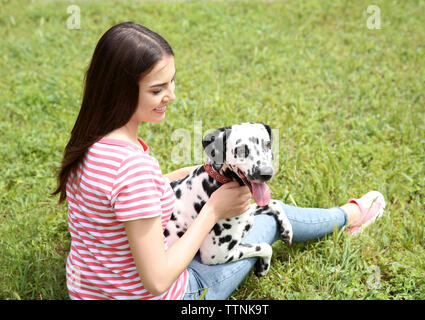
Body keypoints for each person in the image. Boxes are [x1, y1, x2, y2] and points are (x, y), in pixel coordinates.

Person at [53, 22, 386, 300]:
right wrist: (213, 210)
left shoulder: (92, 143)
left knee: (235, 205)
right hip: (165, 294)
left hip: (88, 291)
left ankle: (343, 216)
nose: (171, 95)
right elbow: (156, 281)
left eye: (172, 81)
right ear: (121, 92)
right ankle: (349, 216)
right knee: (264, 217)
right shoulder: (134, 169)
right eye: (157, 89)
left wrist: (184, 174)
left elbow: (119, 197)